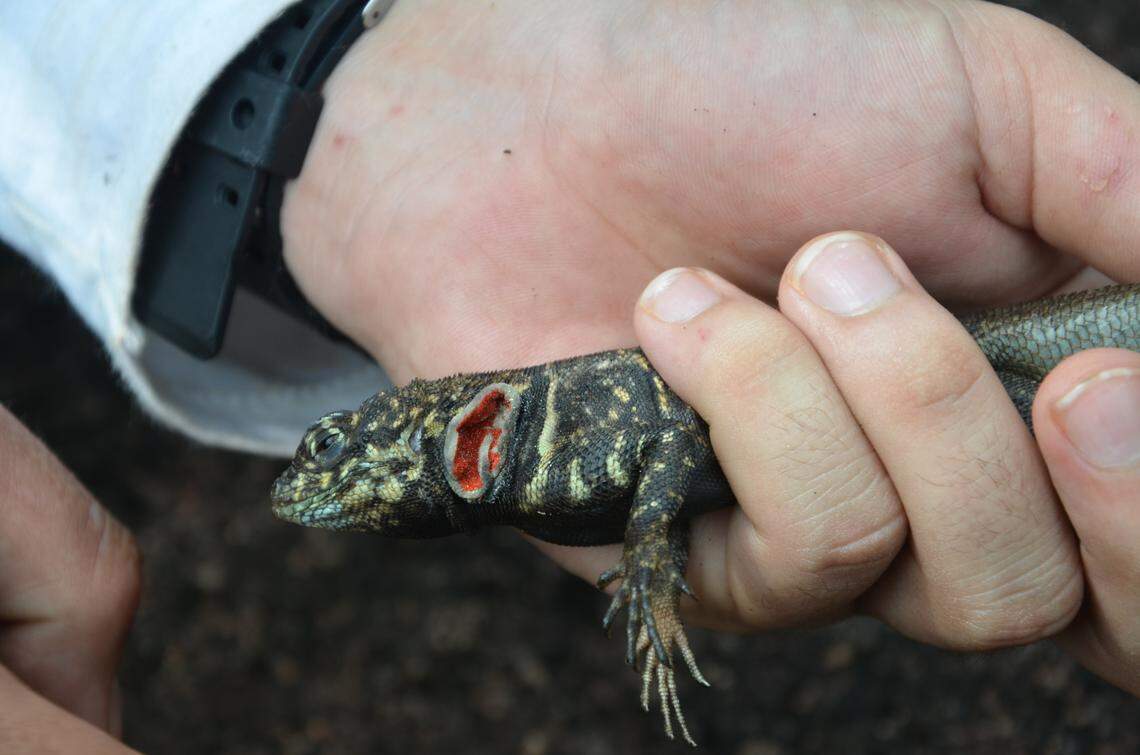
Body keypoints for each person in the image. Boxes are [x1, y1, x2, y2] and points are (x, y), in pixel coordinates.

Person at [1, 0, 1138, 748]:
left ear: (430, 433)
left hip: (961, 342)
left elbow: (669, 445)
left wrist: (648, 566)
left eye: (334, 455)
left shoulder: (535, 434)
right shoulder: (512, 450)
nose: (319, 487)